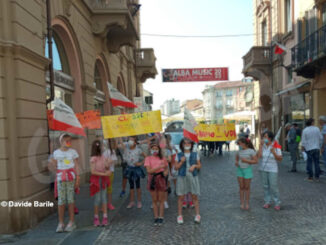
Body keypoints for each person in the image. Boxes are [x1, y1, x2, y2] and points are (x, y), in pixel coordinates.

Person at [51, 133, 80, 232]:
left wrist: (78, 178)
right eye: (66, 140)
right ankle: (61, 222)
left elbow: (76, 165)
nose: (68, 142)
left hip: (71, 178)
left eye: (70, 140)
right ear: (61, 142)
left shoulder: (73, 152)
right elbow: (54, 166)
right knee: (61, 201)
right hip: (60, 179)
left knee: (71, 200)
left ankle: (72, 222)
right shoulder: (56, 153)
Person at [175, 138, 202, 224]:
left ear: (191, 145)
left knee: (194, 195)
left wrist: (194, 166)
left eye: (188, 143)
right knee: (181, 196)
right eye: (185, 143)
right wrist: (181, 162)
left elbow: (199, 166)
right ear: (182, 145)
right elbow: (176, 168)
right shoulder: (178, 155)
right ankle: (179, 215)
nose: (187, 145)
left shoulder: (195, 154)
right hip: (182, 176)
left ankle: (197, 215)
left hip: (192, 176)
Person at [257, 131, 283, 211]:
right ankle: (267, 201)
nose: (264, 139)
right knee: (265, 186)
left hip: (273, 169)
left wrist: (274, 152)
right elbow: (259, 156)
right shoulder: (263, 146)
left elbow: (280, 159)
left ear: (270, 138)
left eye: (266, 137)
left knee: (273, 186)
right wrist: (260, 146)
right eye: (263, 137)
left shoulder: (276, 145)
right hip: (264, 168)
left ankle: (277, 202)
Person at [118, 136, 146, 209]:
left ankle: (139, 201)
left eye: (132, 140)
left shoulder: (138, 150)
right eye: (129, 140)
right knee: (131, 186)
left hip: (136, 169)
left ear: (135, 142)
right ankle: (132, 201)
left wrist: (140, 163)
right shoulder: (126, 149)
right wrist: (118, 136)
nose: (130, 141)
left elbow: (146, 157)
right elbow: (120, 143)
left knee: (138, 185)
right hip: (129, 169)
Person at [144, 142, 169, 226]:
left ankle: (161, 217)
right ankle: (156, 216)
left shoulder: (163, 158)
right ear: (150, 150)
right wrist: (159, 167)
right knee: (154, 199)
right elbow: (149, 170)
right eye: (153, 149)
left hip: (161, 178)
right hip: (152, 179)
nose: (155, 150)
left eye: (156, 149)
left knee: (161, 199)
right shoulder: (148, 158)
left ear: (159, 150)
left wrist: (165, 172)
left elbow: (166, 168)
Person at [89, 140, 111, 227]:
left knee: (104, 198)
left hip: (103, 180)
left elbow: (106, 167)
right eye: (101, 146)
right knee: (97, 199)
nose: (103, 148)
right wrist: (104, 174)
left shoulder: (103, 157)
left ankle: (105, 217)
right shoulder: (93, 159)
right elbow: (93, 171)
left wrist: (108, 164)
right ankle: (96, 217)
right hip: (97, 180)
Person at [235, 138, 258, 210]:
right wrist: (236, 163)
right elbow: (236, 159)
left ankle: (247, 203)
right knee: (241, 187)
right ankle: (242, 203)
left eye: (240, 144)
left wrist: (246, 161)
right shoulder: (238, 151)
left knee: (247, 187)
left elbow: (255, 161)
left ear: (245, 144)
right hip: (240, 170)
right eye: (238, 144)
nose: (239, 145)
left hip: (247, 170)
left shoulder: (251, 151)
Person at [103, 139, 118, 210]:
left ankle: (109, 203)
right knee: (103, 189)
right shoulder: (102, 152)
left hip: (109, 173)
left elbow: (112, 161)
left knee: (109, 188)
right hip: (102, 173)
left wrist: (107, 163)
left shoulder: (112, 151)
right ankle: (104, 204)